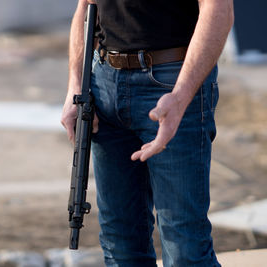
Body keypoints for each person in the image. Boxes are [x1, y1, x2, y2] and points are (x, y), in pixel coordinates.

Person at [61, 0, 234, 266]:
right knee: (121, 245)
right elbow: (85, 7)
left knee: (184, 248)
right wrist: (75, 85)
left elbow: (218, 9)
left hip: (171, 78)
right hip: (104, 80)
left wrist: (180, 96)